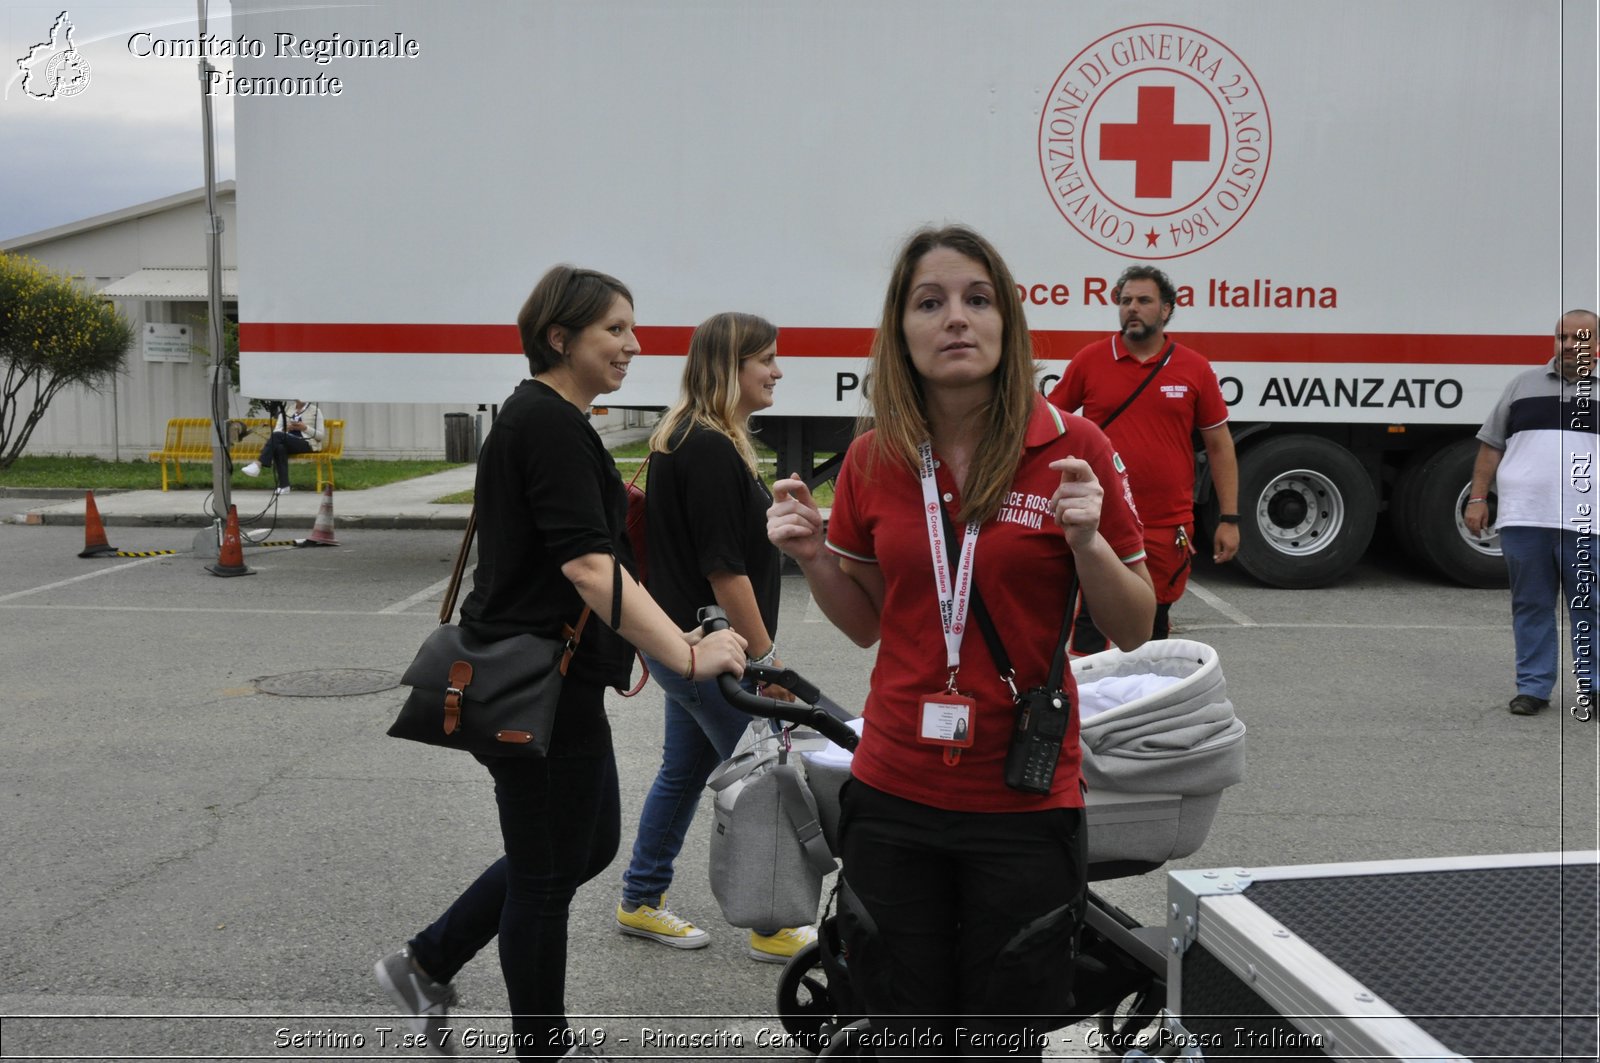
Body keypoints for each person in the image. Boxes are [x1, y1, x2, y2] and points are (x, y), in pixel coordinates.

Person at [767, 225, 1155, 1056]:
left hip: (1023, 804)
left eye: (977, 299)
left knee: (1002, 1037)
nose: (956, 318)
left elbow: (1134, 623)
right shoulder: (874, 459)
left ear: (1008, 322)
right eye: (929, 301)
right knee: (896, 1030)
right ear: (899, 330)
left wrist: (1087, 542)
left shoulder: (1073, 447)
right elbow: (867, 621)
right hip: (893, 793)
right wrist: (810, 556)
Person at [371, 266, 747, 1061]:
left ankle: (429, 959)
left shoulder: (556, 421)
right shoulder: (544, 422)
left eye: (631, 329)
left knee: (588, 845)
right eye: (614, 329)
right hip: (533, 683)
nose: (633, 345)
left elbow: (588, 545)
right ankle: (543, 1047)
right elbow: (585, 567)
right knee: (547, 874)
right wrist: (685, 651)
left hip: (557, 681)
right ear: (559, 336)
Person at [615, 311, 817, 964]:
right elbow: (723, 568)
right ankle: (771, 922)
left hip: (689, 643)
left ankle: (640, 899)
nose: (778, 370)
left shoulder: (695, 435)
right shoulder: (704, 444)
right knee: (769, 780)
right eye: (766, 359)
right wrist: (768, 659)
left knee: (684, 769)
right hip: (710, 647)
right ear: (731, 367)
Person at [1046, 265, 1239, 652]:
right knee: (1090, 621)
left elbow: (1219, 446)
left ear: (1166, 309)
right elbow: (1049, 426)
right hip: (1103, 519)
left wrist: (1229, 519)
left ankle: (1145, 706)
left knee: (1151, 627)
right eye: (1125, 301)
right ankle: (1086, 707)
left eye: (1143, 301)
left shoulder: (1194, 368)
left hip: (1166, 523)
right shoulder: (1090, 360)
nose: (1131, 308)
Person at [1466, 308, 1600, 716]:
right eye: (1561, 338)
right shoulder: (1522, 385)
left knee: (1589, 605)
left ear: (1595, 347)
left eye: (1578, 339)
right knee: (1531, 604)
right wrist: (1477, 498)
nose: (1568, 346)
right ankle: (1534, 689)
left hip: (1586, 520)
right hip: (1526, 518)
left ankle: (1593, 687)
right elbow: (1491, 445)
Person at [241, 398, 323, 495]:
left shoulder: (315, 411)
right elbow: (277, 430)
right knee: (279, 448)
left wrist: (305, 428)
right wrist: (286, 428)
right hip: (287, 441)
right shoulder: (287, 409)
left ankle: (258, 464)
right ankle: (284, 486)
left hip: (307, 443)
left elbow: (320, 436)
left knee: (278, 436)